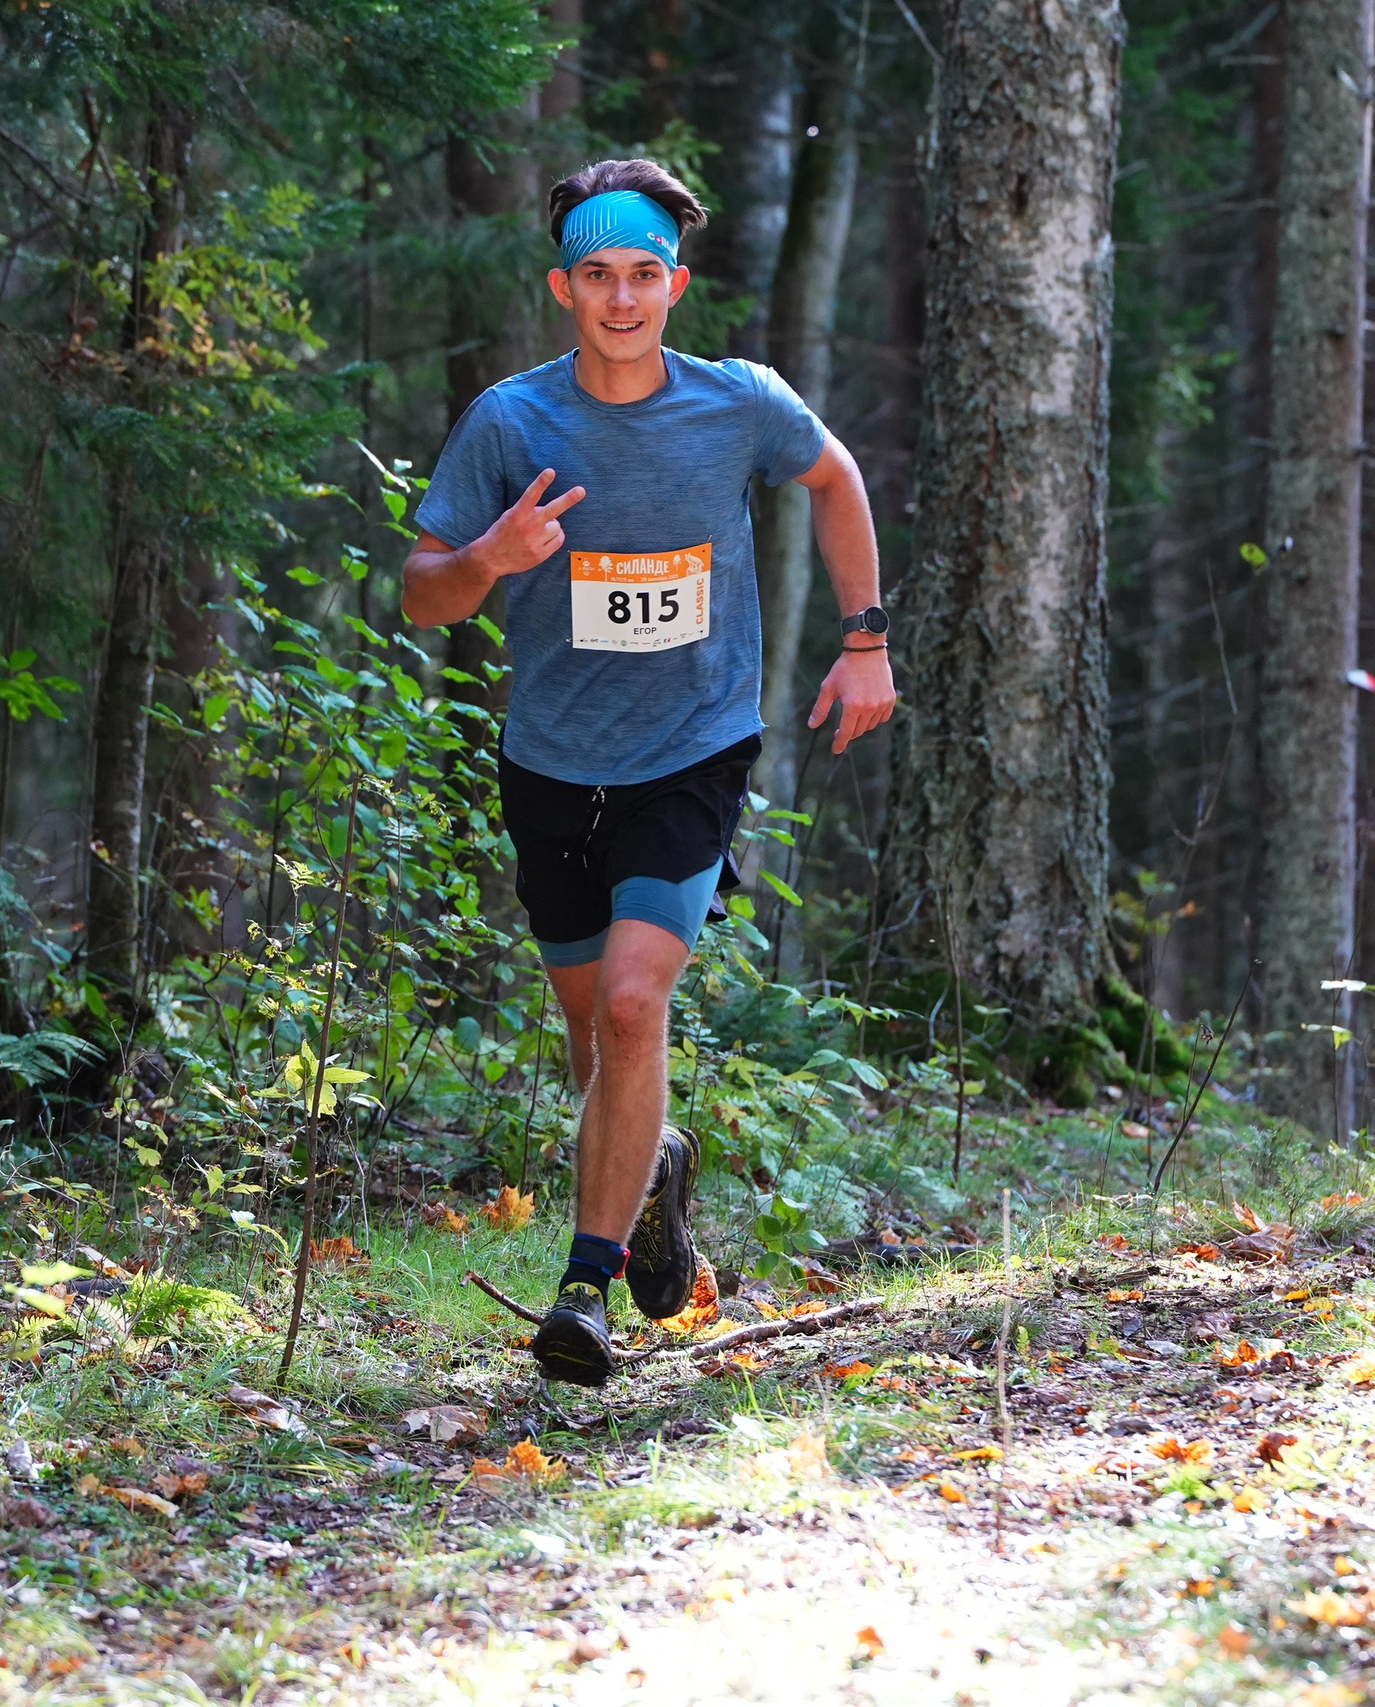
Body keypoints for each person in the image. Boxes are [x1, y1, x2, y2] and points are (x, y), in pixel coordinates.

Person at [401, 158, 895, 1385]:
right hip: (553, 763)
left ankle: (583, 1291)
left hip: (694, 748)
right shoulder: (511, 422)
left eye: (643, 275)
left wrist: (867, 642)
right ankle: (653, 1169)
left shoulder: (738, 404)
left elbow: (835, 479)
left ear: (674, 284)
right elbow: (421, 596)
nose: (621, 298)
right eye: (596, 277)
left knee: (633, 1005)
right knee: (596, 1048)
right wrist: (492, 554)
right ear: (562, 286)